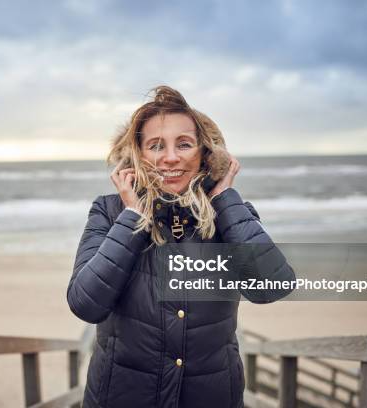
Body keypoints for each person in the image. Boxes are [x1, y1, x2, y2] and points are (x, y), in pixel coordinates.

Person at [67, 85, 295, 408]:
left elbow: (273, 285)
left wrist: (225, 201)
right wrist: (133, 216)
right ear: (138, 155)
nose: (171, 157)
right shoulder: (109, 212)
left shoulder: (230, 215)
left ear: (205, 154)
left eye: (184, 144)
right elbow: (85, 303)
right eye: (156, 146)